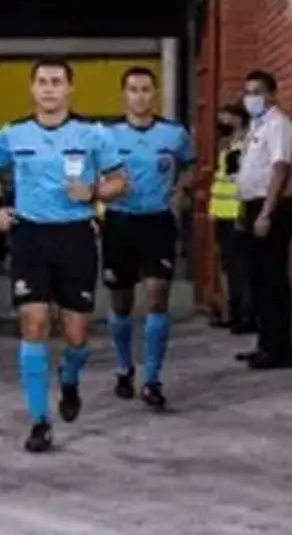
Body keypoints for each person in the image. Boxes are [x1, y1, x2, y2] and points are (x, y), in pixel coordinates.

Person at [0, 58, 126, 453]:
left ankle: (69, 378)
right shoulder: (12, 134)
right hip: (29, 235)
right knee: (34, 324)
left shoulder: (93, 134)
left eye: (56, 82)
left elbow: (120, 181)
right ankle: (39, 421)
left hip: (76, 237)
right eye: (42, 82)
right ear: (32, 89)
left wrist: (96, 193)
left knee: (76, 334)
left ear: (69, 89)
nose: (49, 89)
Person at [100, 67, 193, 411]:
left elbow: (189, 166)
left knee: (157, 297)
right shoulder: (107, 136)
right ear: (124, 95)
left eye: (146, 89)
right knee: (121, 303)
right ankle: (124, 368)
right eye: (133, 89)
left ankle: (152, 379)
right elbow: (93, 175)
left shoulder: (175, 134)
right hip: (120, 223)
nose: (140, 96)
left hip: (158, 223)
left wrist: (182, 189)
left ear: (155, 94)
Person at [235, 70, 292, 371]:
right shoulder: (256, 126)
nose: (251, 98)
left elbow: (280, 168)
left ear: (272, 94)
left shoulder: (279, 125)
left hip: (269, 206)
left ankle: (278, 349)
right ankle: (263, 342)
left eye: (257, 91)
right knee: (256, 279)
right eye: (247, 92)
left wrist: (266, 213)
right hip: (250, 206)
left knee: (272, 280)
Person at [209, 103, 254, 333]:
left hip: (236, 212)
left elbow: (241, 181)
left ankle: (242, 315)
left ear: (239, 120)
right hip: (222, 212)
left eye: (227, 120)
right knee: (227, 265)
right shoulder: (227, 145)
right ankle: (231, 311)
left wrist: (241, 213)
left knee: (239, 267)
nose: (222, 124)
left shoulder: (245, 145)